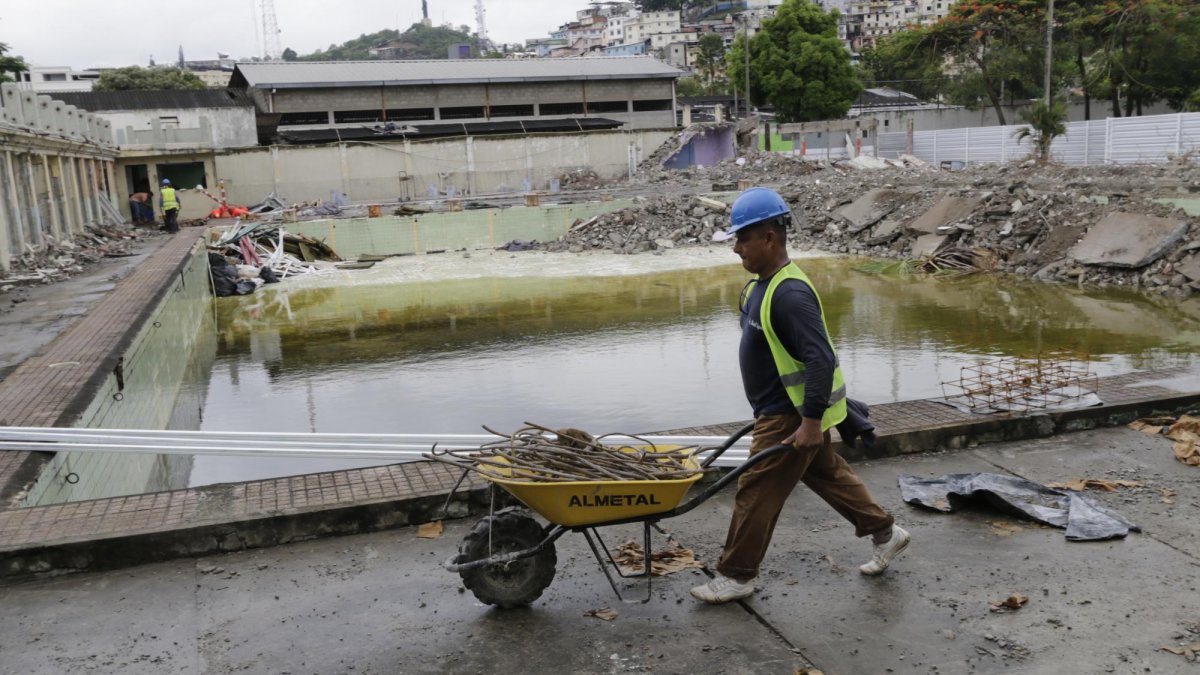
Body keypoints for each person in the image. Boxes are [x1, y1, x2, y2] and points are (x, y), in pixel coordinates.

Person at [690, 187, 911, 604]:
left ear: (769, 237)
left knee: (755, 491)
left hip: (788, 415)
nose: (736, 248)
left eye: (743, 238)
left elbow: (820, 360)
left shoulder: (790, 294)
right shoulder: (762, 285)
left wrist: (810, 422)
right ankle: (886, 533)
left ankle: (737, 575)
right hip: (781, 410)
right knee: (826, 472)